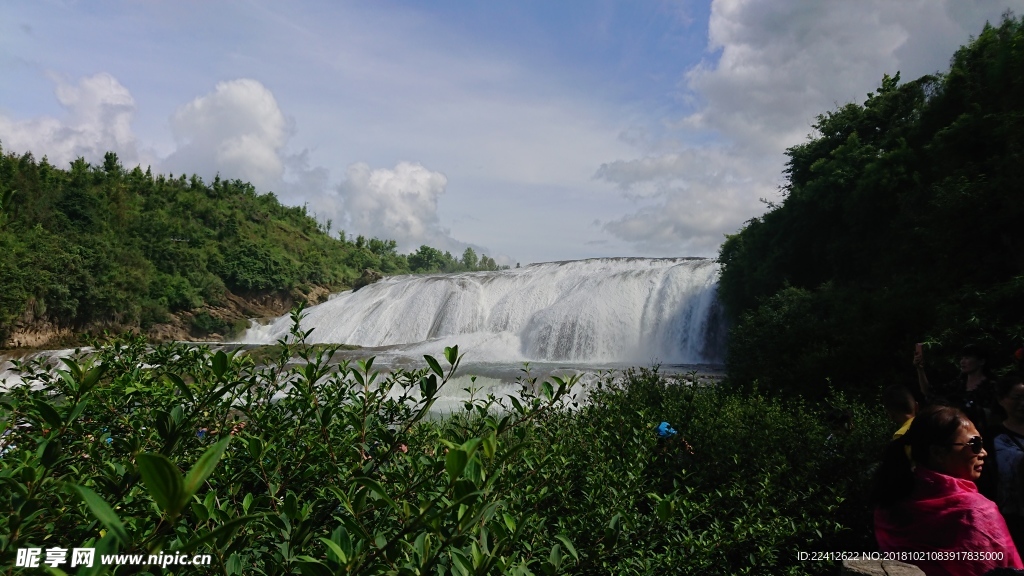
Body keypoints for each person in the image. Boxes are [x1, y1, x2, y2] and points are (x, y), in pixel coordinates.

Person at [872, 405, 1022, 576]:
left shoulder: (892, 497)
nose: (984, 452)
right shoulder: (975, 512)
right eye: (975, 444)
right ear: (938, 453)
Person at [995, 373, 1024, 548]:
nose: (1023, 404)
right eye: (1017, 398)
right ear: (1001, 400)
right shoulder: (992, 436)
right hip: (1007, 517)